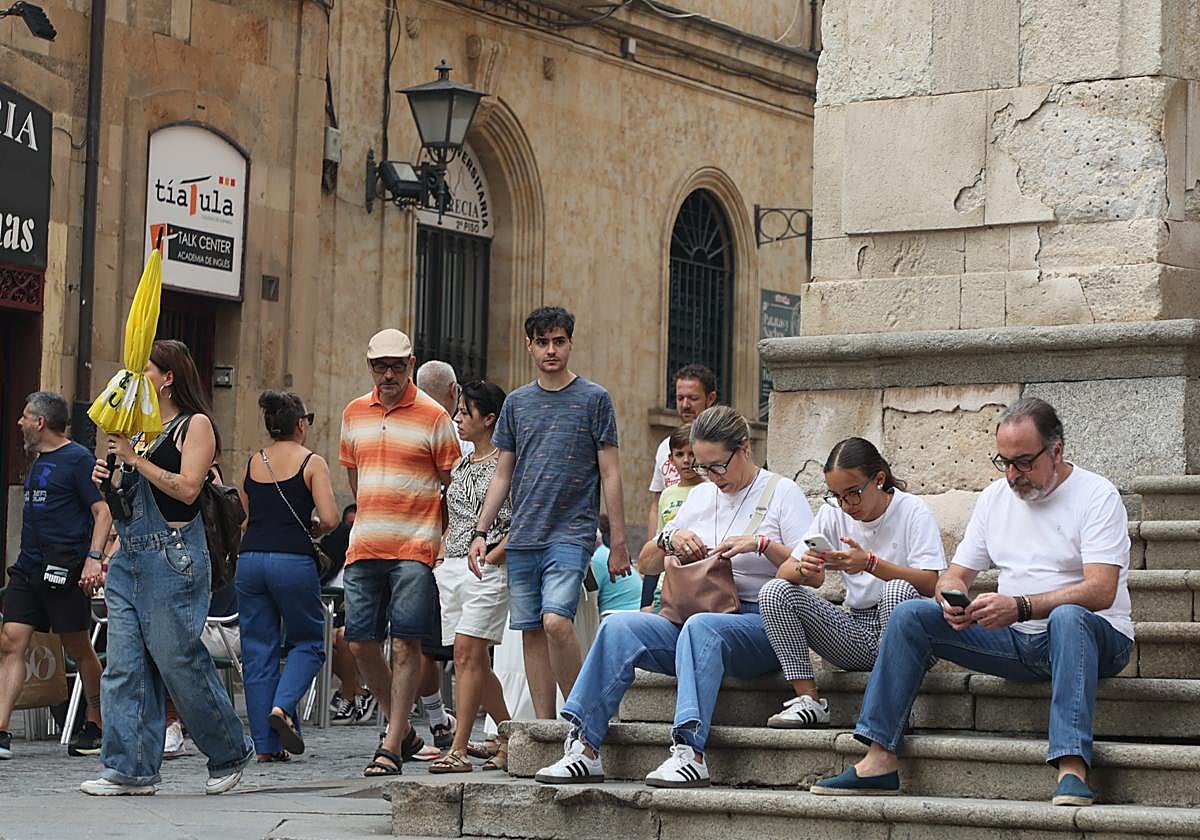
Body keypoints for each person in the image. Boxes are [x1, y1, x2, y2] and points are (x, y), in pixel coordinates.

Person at [812, 398, 1134, 808]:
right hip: (1017, 639)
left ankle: (1071, 767)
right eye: (1004, 462)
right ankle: (879, 758)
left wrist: (1019, 606)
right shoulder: (995, 498)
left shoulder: (1096, 495)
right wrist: (953, 598)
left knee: (1069, 617)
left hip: (1096, 638)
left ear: (1057, 450)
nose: (1013, 475)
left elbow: (1100, 590)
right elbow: (955, 573)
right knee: (912, 614)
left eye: (1023, 462)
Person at [534, 405, 814, 788]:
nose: (713, 477)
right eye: (703, 467)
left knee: (701, 629)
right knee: (618, 627)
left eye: (719, 466)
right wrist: (669, 539)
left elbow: (812, 574)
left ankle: (689, 753)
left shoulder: (782, 493)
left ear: (745, 448)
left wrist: (761, 545)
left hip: (761, 624)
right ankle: (583, 747)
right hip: (694, 615)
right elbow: (646, 564)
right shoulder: (699, 498)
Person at [85, 339, 253, 796]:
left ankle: (229, 751)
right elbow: (131, 501)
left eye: (147, 370)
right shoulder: (139, 429)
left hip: (172, 555)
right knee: (123, 665)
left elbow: (188, 489)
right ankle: (129, 768)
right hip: (130, 557)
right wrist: (112, 479)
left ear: (169, 377)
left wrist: (137, 459)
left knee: (178, 661)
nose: (139, 377)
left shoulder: (193, 425)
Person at [469, 306, 632, 719]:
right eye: (542, 342)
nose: (551, 350)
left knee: (557, 621)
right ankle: (545, 728)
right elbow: (503, 473)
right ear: (530, 345)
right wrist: (481, 530)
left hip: (572, 533)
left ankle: (583, 719)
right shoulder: (517, 404)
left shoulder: (594, 399)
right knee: (531, 631)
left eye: (559, 341)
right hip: (523, 535)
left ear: (571, 343)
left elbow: (611, 473)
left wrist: (618, 543)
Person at [339, 329, 460, 777]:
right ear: (369, 366)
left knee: (407, 642)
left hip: (415, 545)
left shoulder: (433, 416)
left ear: (411, 363)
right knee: (358, 641)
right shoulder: (353, 413)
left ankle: (390, 745)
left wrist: (440, 539)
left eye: (397, 365)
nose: (388, 374)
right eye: (379, 366)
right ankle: (403, 730)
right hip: (366, 543)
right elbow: (357, 480)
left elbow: (454, 487)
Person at [757, 437, 944, 727]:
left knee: (895, 591)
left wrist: (870, 564)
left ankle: (890, 705)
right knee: (773, 592)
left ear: (878, 479)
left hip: (911, 634)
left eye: (853, 493)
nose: (846, 505)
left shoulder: (912, 510)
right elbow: (785, 572)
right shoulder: (832, 513)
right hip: (857, 631)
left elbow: (930, 584)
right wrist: (805, 569)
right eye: (836, 495)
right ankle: (809, 701)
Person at [0, 392, 110, 760]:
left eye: (25, 416)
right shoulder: (38, 460)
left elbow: (102, 512)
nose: (19, 423)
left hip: (64, 569)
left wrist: (93, 559)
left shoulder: (78, 460)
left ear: (40, 422)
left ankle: (95, 722)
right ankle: (0, 731)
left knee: (78, 648)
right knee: (11, 641)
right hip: (28, 568)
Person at [235, 390, 339, 762]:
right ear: (301, 424)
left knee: (258, 651)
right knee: (308, 642)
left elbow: (243, 519)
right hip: (292, 560)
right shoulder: (312, 462)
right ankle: (282, 708)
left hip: (250, 561)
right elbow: (329, 518)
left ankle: (265, 747)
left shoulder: (252, 462)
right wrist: (314, 527)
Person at [429, 380, 514, 774]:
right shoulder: (462, 463)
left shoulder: (507, 462)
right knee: (474, 659)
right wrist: (444, 552)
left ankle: (458, 747)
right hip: (453, 567)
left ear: (490, 418)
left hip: (489, 567)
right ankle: (510, 737)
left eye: (466, 412)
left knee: (465, 653)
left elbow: (521, 516)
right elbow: (456, 515)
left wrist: (497, 554)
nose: (458, 418)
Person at [414, 359, 467, 749]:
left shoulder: (404, 424)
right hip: (444, 551)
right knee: (462, 646)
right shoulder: (456, 434)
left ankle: (431, 718)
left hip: (406, 544)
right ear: (453, 393)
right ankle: (455, 726)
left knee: (413, 642)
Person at [643, 365, 717, 608]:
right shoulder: (665, 445)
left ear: (710, 398)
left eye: (693, 398)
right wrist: (653, 548)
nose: (685, 404)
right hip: (665, 551)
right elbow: (657, 502)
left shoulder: (721, 447)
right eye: (680, 398)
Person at [639, 424, 703, 613]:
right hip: (665, 581)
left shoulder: (710, 489)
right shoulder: (666, 495)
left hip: (696, 578)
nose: (686, 461)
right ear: (670, 459)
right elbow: (660, 535)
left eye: (692, 454)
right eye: (680, 454)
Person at [323, 505, 377, 725]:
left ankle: (346, 694)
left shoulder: (372, 559)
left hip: (364, 619)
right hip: (331, 616)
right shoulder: (335, 558)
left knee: (342, 636)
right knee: (319, 636)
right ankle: (357, 690)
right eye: (348, 526)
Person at [591, 515, 642, 617]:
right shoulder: (605, 553)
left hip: (620, 613)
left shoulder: (597, 559)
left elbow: (590, 601)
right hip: (637, 611)